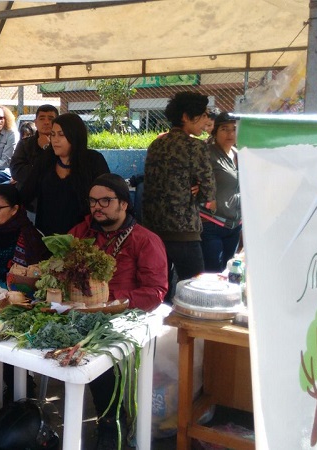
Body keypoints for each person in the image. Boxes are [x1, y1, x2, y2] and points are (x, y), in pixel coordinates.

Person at [69, 173, 168, 448]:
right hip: (80, 310)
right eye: (92, 201)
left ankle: (111, 421)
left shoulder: (145, 240)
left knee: (97, 350)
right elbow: (58, 264)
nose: (97, 206)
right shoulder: (81, 233)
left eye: (105, 201)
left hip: (125, 315)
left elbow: (156, 291)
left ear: (124, 204)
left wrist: (115, 302)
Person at [142, 91, 216, 283]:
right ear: (185, 117)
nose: (206, 120)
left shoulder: (155, 145)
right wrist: (199, 192)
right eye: (203, 114)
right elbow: (209, 191)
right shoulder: (195, 146)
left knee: (160, 288)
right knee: (193, 288)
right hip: (184, 231)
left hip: (153, 230)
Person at [20, 112, 110, 236]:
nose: (55, 140)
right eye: (52, 134)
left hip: (84, 237)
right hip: (48, 239)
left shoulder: (93, 161)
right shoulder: (45, 161)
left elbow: (106, 197)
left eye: (61, 135)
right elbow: (26, 194)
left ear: (75, 136)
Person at [200, 112, 242, 272]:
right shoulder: (207, 154)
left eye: (234, 129)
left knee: (229, 273)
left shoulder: (240, 154)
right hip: (212, 224)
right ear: (215, 131)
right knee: (213, 273)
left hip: (235, 225)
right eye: (225, 129)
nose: (230, 133)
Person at [10, 105, 58, 195]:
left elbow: (57, 172)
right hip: (28, 196)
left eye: (51, 118)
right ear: (35, 122)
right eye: (42, 118)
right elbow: (16, 171)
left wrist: (46, 147)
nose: (46, 122)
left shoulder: (62, 144)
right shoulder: (24, 144)